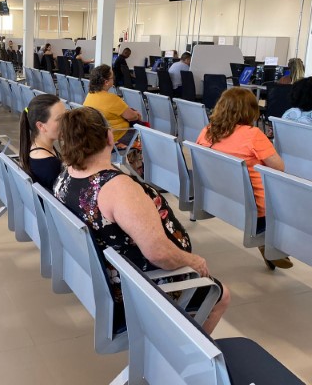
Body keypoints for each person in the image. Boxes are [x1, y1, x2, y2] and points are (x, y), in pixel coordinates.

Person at [54, 106, 230, 334]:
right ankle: (185, 354)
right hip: (138, 286)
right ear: (109, 136)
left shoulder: (67, 176)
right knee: (221, 295)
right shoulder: (117, 188)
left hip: (105, 278)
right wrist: (193, 261)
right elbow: (159, 254)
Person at [196, 87, 293, 270]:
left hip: (222, 200)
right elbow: (279, 167)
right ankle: (271, 242)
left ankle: (268, 243)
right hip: (256, 210)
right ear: (250, 111)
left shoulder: (207, 131)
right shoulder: (253, 134)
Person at [84, 65, 141, 144]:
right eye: (112, 77)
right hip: (117, 136)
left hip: (98, 135)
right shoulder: (112, 99)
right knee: (144, 133)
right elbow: (132, 116)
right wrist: (137, 114)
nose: (114, 79)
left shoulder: (90, 95)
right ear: (106, 82)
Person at [19, 94, 66, 190]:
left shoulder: (33, 146)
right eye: (60, 119)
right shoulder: (50, 166)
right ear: (41, 126)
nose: (66, 122)